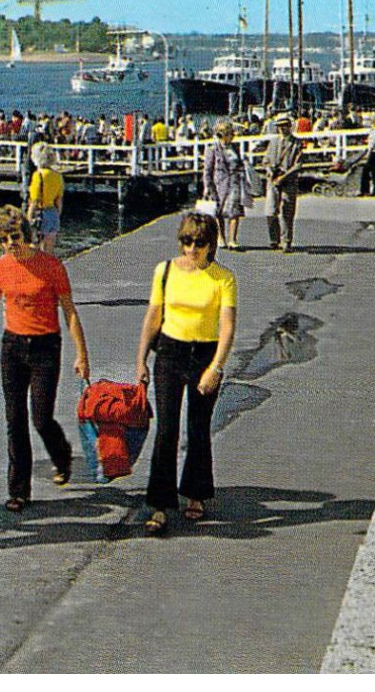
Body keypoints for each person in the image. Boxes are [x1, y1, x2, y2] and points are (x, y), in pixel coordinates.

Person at [0, 206, 89, 511]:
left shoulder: (51, 266)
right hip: (12, 347)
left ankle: (61, 455)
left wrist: (81, 354)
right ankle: (19, 489)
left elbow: (69, 311)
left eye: (15, 237)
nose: (10, 244)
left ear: (27, 234)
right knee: (14, 420)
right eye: (3, 240)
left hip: (46, 346)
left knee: (40, 417)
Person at [134, 213, 237, 535]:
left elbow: (228, 326)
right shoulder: (164, 271)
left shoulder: (224, 278)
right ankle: (161, 504)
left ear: (211, 245)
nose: (192, 249)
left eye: (199, 243)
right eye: (186, 241)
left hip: (204, 354)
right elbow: (153, 316)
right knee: (166, 429)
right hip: (169, 352)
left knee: (198, 427)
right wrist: (141, 361)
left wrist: (216, 368)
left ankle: (195, 492)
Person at [203, 119, 252, 249]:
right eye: (230, 133)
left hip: (235, 182)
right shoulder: (212, 149)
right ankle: (221, 238)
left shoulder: (234, 148)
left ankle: (233, 239)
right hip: (219, 184)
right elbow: (207, 170)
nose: (233, 136)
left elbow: (239, 164)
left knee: (235, 211)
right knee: (218, 213)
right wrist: (207, 186)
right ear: (223, 134)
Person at [263, 114, 306, 252]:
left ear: (289, 127)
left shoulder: (296, 143)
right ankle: (274, 239)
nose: (282, 129)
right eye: (279, 126)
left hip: (289, 179)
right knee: (270, 211)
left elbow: (298, 165)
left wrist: (284, 176)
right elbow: (266, 160)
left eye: (284, 126)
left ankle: (286, 240)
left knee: (287, 211)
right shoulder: (273, 142)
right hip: (273, 180)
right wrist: (269, 170)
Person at [24, 142, 65, 252]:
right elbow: (59, 200)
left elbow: (34, 201)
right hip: (53, 213)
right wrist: (57, 215)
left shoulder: (38, 175)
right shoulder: (58, 176)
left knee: (36, 245)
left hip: (40, 213)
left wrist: (28, 218)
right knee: (49, 245)